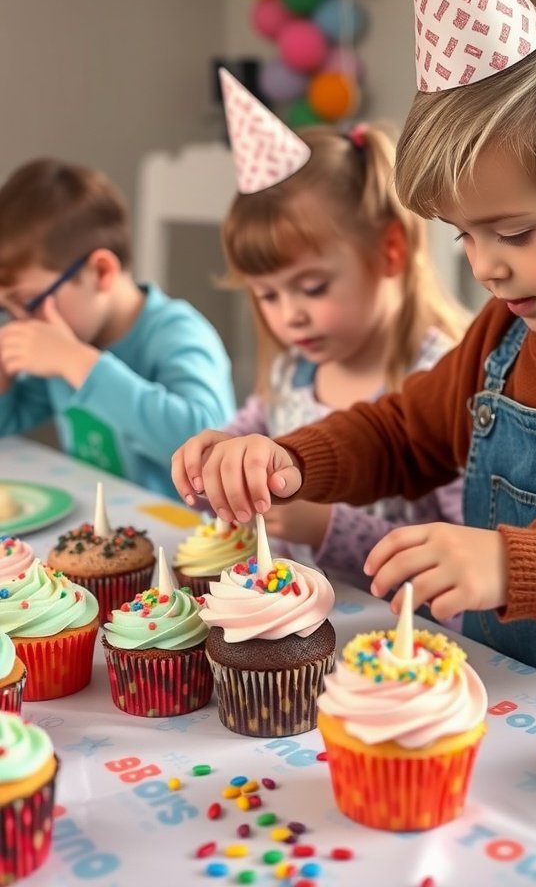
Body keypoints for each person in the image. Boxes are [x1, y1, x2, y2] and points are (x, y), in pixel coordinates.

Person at [171, 0, 536, 681]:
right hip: (511, 710)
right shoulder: (500, 338)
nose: (487, 266)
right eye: (464, 237)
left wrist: (514, 564)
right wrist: (288, 460)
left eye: (515, 231)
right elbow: (398, 434)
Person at [175, 70, 467, 590]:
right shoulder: (293, 371)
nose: (290, 316)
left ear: (389, 251)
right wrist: (218, 459)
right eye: (267, 295)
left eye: (311, 287)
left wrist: (328, 527)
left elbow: (460, 552)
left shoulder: (439, 379)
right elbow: (245, 442)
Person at [0, 158, 235, 498]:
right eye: (6, 308)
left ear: (102, 271)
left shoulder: (176, 332)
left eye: (29, 300)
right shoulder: (65, 337)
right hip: (101, 529)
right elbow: (9, 424)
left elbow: (209, 441)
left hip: (189, 536)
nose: (22, 320)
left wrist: (79, 363)